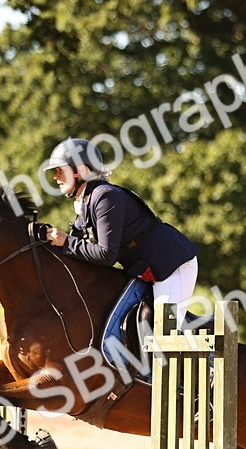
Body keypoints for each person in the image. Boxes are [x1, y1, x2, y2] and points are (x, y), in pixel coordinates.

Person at [42, 137, 199, 326]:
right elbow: (77, 250)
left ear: (82, 169)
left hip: (173, 266)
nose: (55, 176)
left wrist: (66, 242)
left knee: (163, 335)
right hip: (146, 271)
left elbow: (106, 254)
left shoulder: (104, 197)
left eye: (60, 170)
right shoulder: (86, 201)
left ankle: (212, 355)